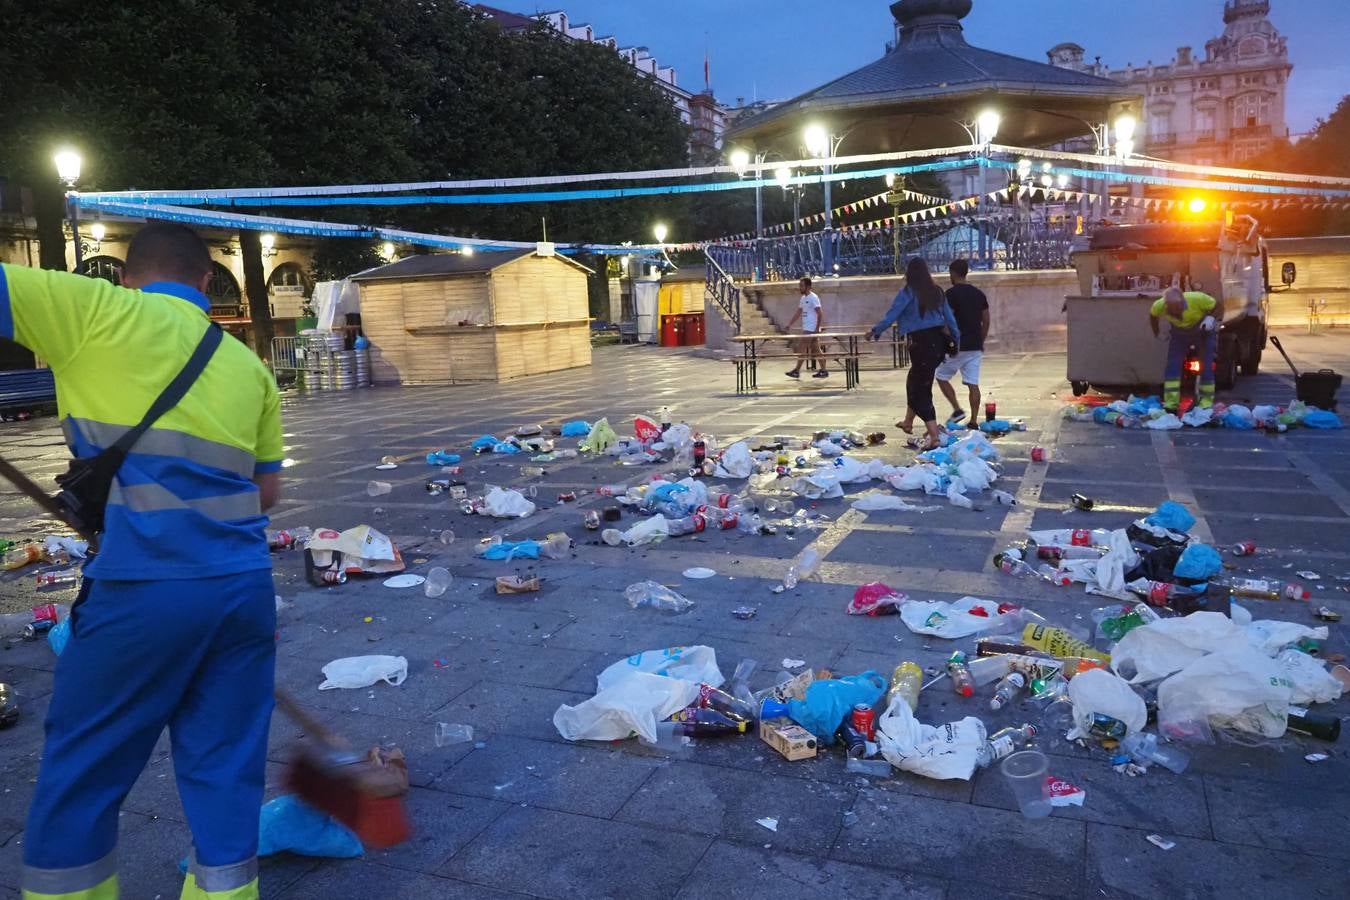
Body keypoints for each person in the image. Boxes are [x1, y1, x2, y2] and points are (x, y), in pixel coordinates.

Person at [3, 223, 283, 900]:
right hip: (242, 593)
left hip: (140, 591)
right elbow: (265, 490)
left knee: (85, 771)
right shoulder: (247, 366)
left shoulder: (93, 310)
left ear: (127, 277)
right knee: (225, 768)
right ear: (207, 285)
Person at [867, 257, 960, 450]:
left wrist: (876, 330)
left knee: (920, 389)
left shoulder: (908, 292)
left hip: (921, 343)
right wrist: (956, 340)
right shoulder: (937, 292)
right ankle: (908, 422)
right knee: (916, 382)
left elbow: (892, 313)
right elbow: (950, 319)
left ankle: (934, 436)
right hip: (937, 345)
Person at [1150, 286, 1223, 411]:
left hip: (1202, 332)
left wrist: (1211, 319)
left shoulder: (1197, 298)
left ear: (1183, 301)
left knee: (1206, 366)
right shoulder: (1159, 305)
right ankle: (1171, 403)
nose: (1178, 312)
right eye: (1174, 310)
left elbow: (1219, 306)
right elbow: (1153, 316)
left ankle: (1205, 403)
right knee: (1173, 366)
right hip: (1179, 335)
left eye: (1179, 308)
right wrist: (1157, 333)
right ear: (1167, 306)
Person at [935, 258, 989, 423]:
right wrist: (981, 340)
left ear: (953, 273)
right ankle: (973, 421)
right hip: (975, 346)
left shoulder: (950, 294)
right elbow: (986, 320)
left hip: (957, 346)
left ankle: (957, 409)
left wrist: (945, 339)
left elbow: (946, 321)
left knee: (941, 375)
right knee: (973, 383)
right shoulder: (979, 294)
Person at [783, 276, 829, 379]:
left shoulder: (814, 297)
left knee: (802, 348)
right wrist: (790, 324)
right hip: (807, 327)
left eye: (802, 285)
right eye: (800, 285)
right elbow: (798, 312)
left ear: (808, 286)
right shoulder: (803, 298)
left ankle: (797, 371)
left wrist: (817, 328)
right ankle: (823, 370)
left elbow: (820, 313)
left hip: (811, 328)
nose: (800, 287)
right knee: (816, 350)